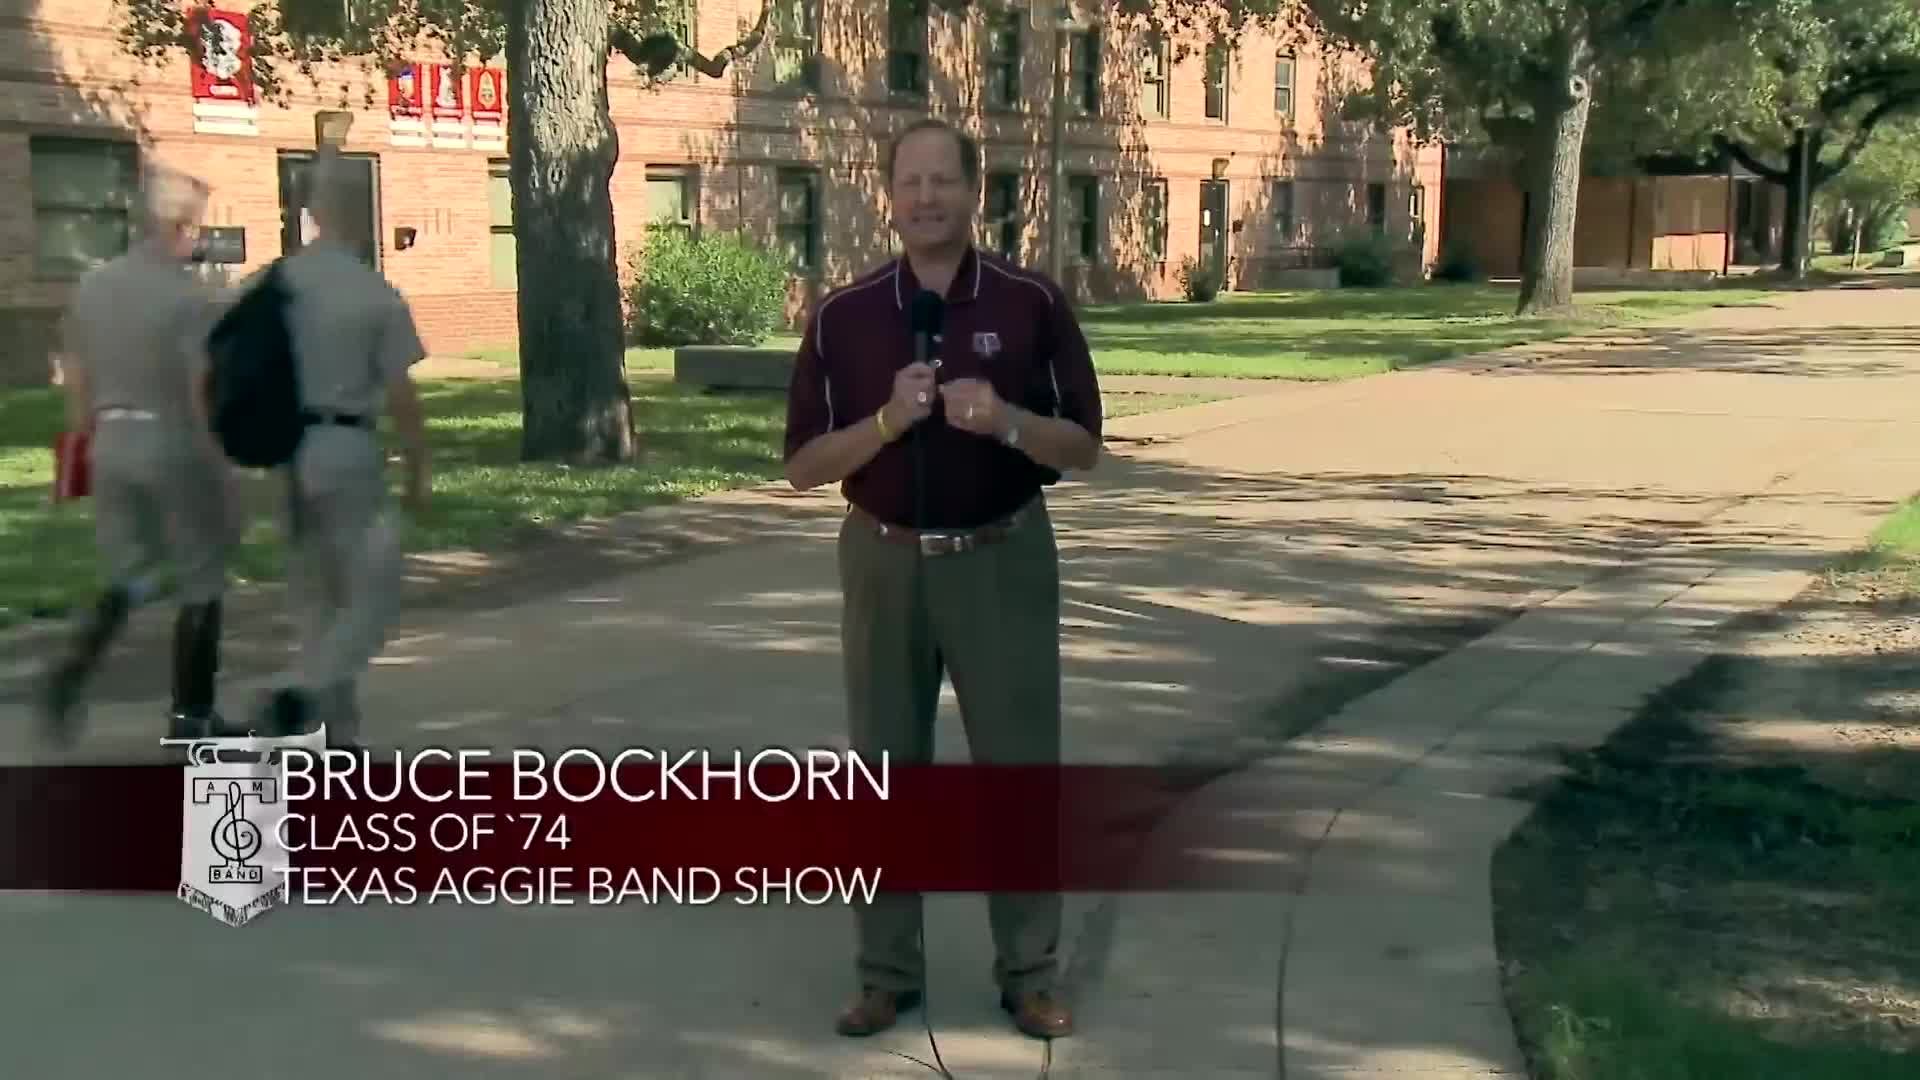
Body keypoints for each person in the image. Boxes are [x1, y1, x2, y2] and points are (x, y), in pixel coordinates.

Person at [781, 117, 1103, 1041]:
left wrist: (1006, 422)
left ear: (975, 191)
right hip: (883, 557)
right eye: (910, 182)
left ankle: (1030, 974)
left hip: (1001, 557)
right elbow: (804, 466)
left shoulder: (1028, 302)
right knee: (885, 771)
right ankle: (885, 974)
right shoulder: (845, 316)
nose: (926, 198)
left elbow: (1083, 447)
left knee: (1016, 771)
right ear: (889, 195)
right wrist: (886, 423)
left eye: (943, 182)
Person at [38, 166, 238, 744]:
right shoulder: (185, 295)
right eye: (195, 225)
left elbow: (75, 371)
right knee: (203, 574)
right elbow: (198, 386)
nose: (198, 237)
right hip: (170, 443)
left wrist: (84, 439)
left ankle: (70, 676)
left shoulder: (93, 286)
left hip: (111, 444)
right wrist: (220, 465)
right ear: (176, 224)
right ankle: (192, 716)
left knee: (130, 572)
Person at [252, 148, 431, 748]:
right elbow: (400, 393)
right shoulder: (373, 293)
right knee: (371, 597)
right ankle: (303, 690)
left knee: (313, 600)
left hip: (286, 450)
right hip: (348, 447)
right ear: (354, 214)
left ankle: (337, 735)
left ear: (309, 212)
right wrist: (417, 469)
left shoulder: (270, 287)